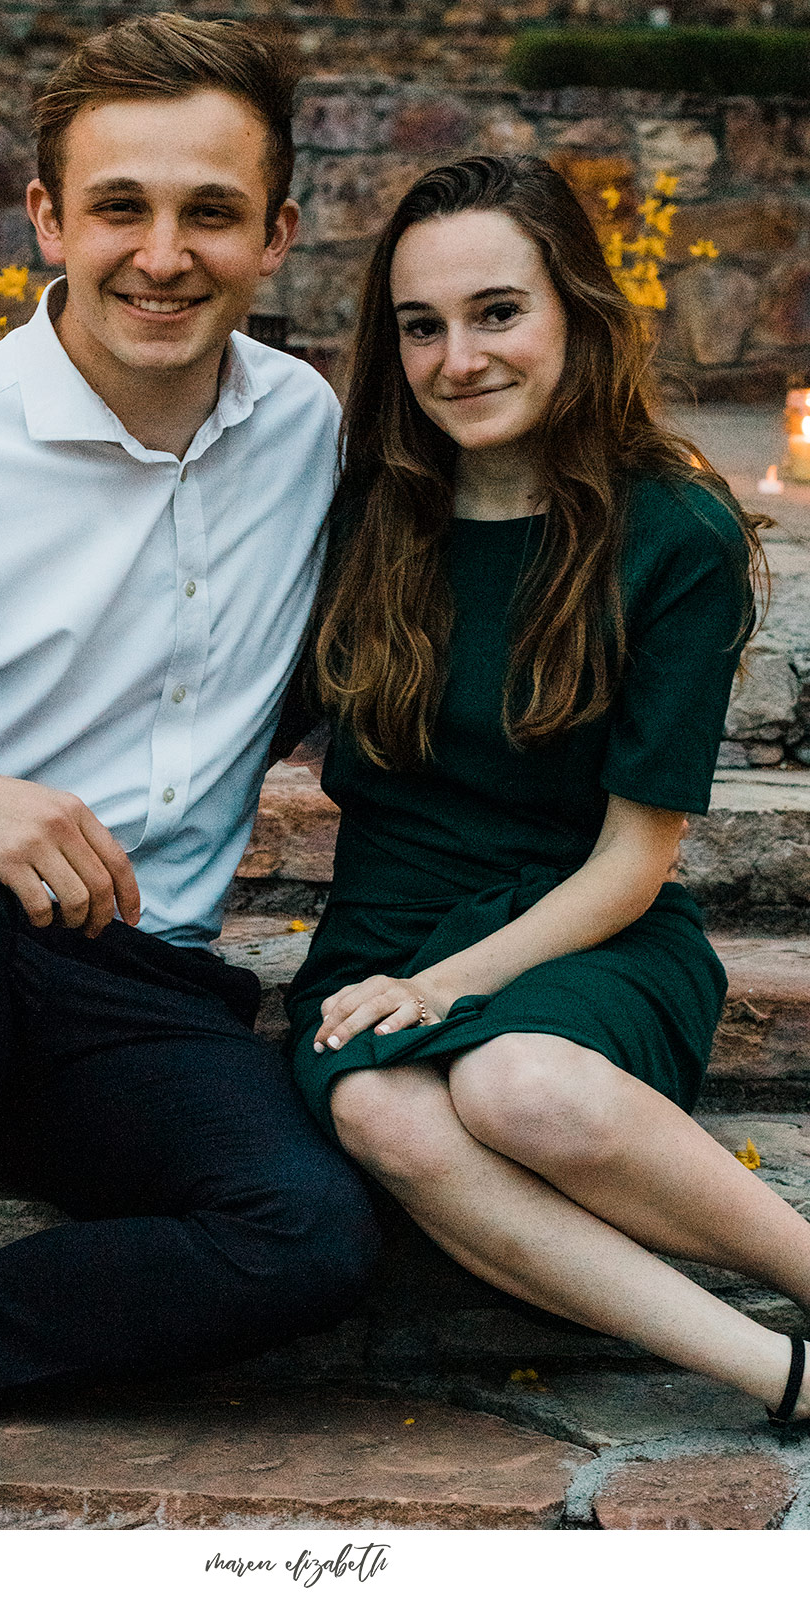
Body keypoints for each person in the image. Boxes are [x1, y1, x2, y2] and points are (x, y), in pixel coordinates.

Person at [0, 15, 378, 1529]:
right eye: (120, 206)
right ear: (47, 217)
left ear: (278, 235)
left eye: (210, 212)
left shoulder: (304, 427)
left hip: (134, 989)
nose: (161, 255)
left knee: (308, 1233)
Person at [286, 152, 810, 1427]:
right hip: (382, 926)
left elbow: (635, 859)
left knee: (514, 1083)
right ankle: (780, 1375)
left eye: (497, 312)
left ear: (575, 307)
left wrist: (448, 983)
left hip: (591, 927)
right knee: (380, 1108)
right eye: (422, 327)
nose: (457, 358)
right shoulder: (369, 512)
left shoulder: (673, 533)